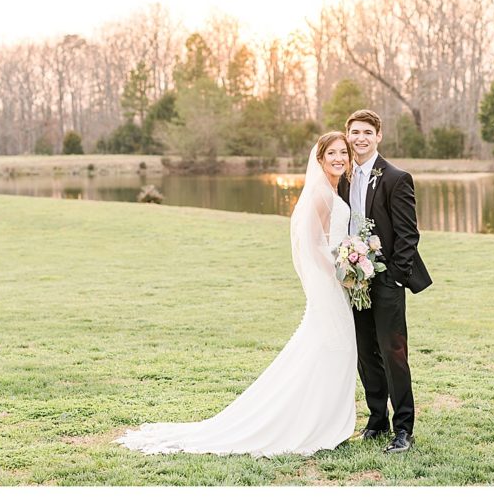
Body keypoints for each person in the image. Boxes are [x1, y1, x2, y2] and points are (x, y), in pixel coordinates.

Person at [115, 132, 357, 457]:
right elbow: (313, 244)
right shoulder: (319, 192)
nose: (339, 158)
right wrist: (340, 274)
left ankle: (322, 420)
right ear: (321, 158)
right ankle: (313, 424)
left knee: (328, 349)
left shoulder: (330, 189)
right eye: (333, 153)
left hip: (333, 283)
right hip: (329, 284)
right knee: (333, 348)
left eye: (344, 152)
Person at [339, 109, 432, 454]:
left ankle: (403, 428)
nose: (359, 138)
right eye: (354, 132)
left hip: (386, 280)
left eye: (367, 132)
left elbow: (409, 235)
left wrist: (394, 277)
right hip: (353, 280)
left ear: (378, 137)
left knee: (394, 354)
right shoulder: (344, 177)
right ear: (347, 136)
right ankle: (376, 420)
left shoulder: (396, 177)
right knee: (366, 353)